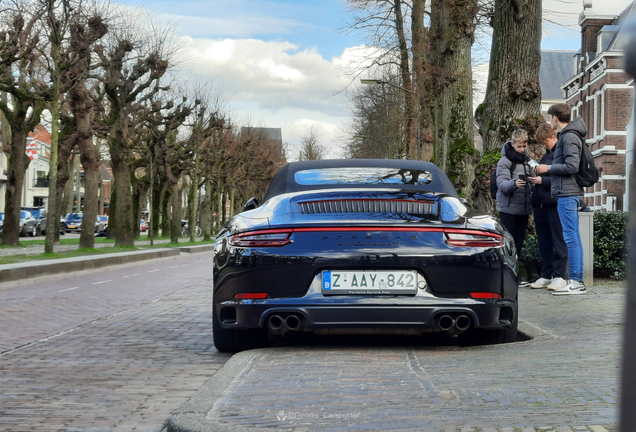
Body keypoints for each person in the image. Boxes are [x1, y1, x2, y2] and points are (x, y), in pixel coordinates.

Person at [535, 103, 587, 295]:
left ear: (555, 118)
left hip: (567, 192)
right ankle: (576, 280)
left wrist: (548, 169)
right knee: (573, 238)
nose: (550, 121)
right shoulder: (571, 136)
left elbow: (572, 167)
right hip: (567, 192)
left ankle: (576, 281)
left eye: (550, 118)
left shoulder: (569, 137)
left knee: (571, 238)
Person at [528, 124, 568, 291]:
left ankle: (559, 276)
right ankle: (546, 275)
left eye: (545, 142)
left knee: (558, 241)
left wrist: (542, 181)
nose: (544, 146)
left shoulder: (561, 154)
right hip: (541, 204)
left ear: (553, 137)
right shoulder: (548, 155)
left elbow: (563, 181)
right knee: (544, 242)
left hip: (554, 204)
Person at [495, 129, 534, 287]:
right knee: (508, 245)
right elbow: (502, 184)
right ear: (512, 144)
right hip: (509, 210)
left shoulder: (527, 161)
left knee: (518, 245)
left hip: (523, 210)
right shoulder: (504, 162)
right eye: (519, 146)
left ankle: (515, 276)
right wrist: (514, 183)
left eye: (524, 146)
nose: (522, 149)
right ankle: (508, 278)